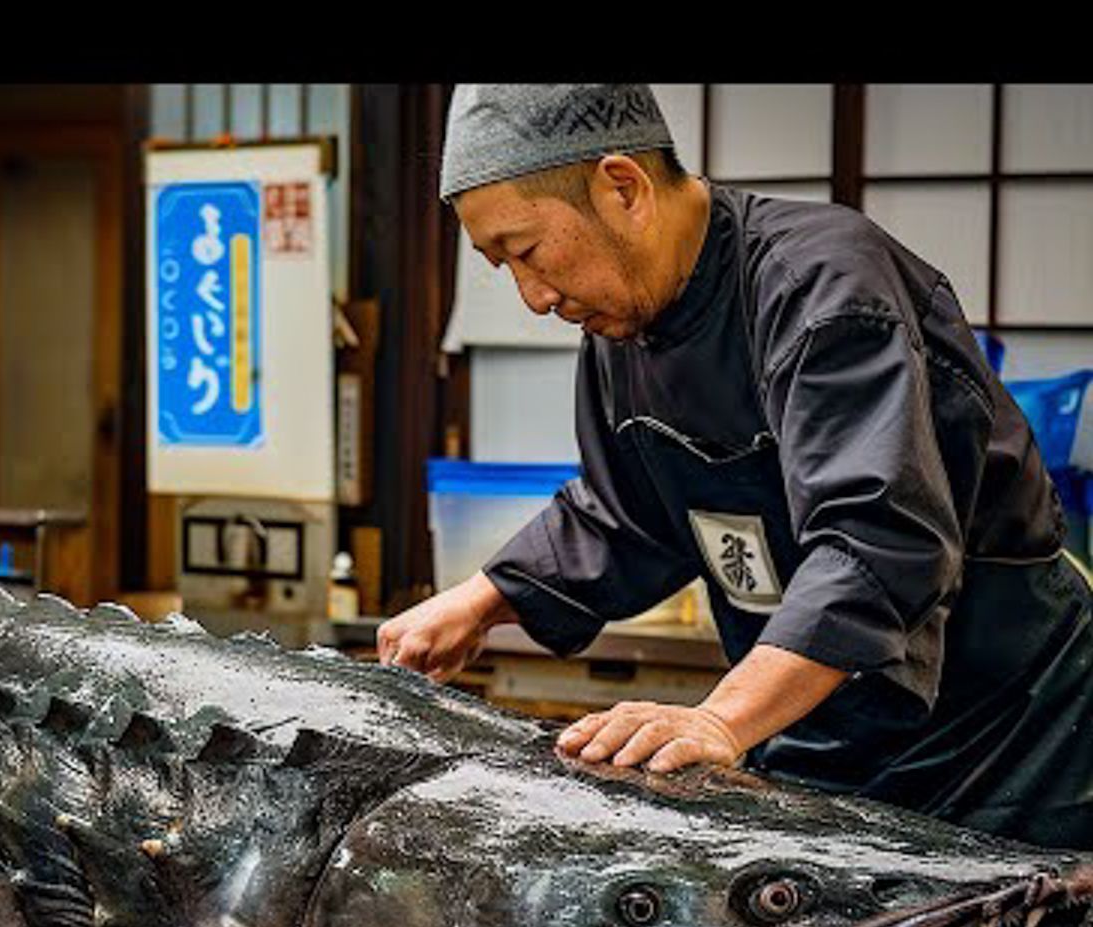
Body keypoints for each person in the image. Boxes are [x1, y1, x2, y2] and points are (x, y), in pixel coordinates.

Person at [377, 83, 1093, 854]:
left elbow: (877, 542)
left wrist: (720, 719)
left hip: (1013, 726)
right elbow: (627, 515)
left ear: (623, 187)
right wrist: (482, 601)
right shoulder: (625, 331)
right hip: (826, 723)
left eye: (527, 252)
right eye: (501, 268)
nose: (534, 296)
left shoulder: (823, 286)